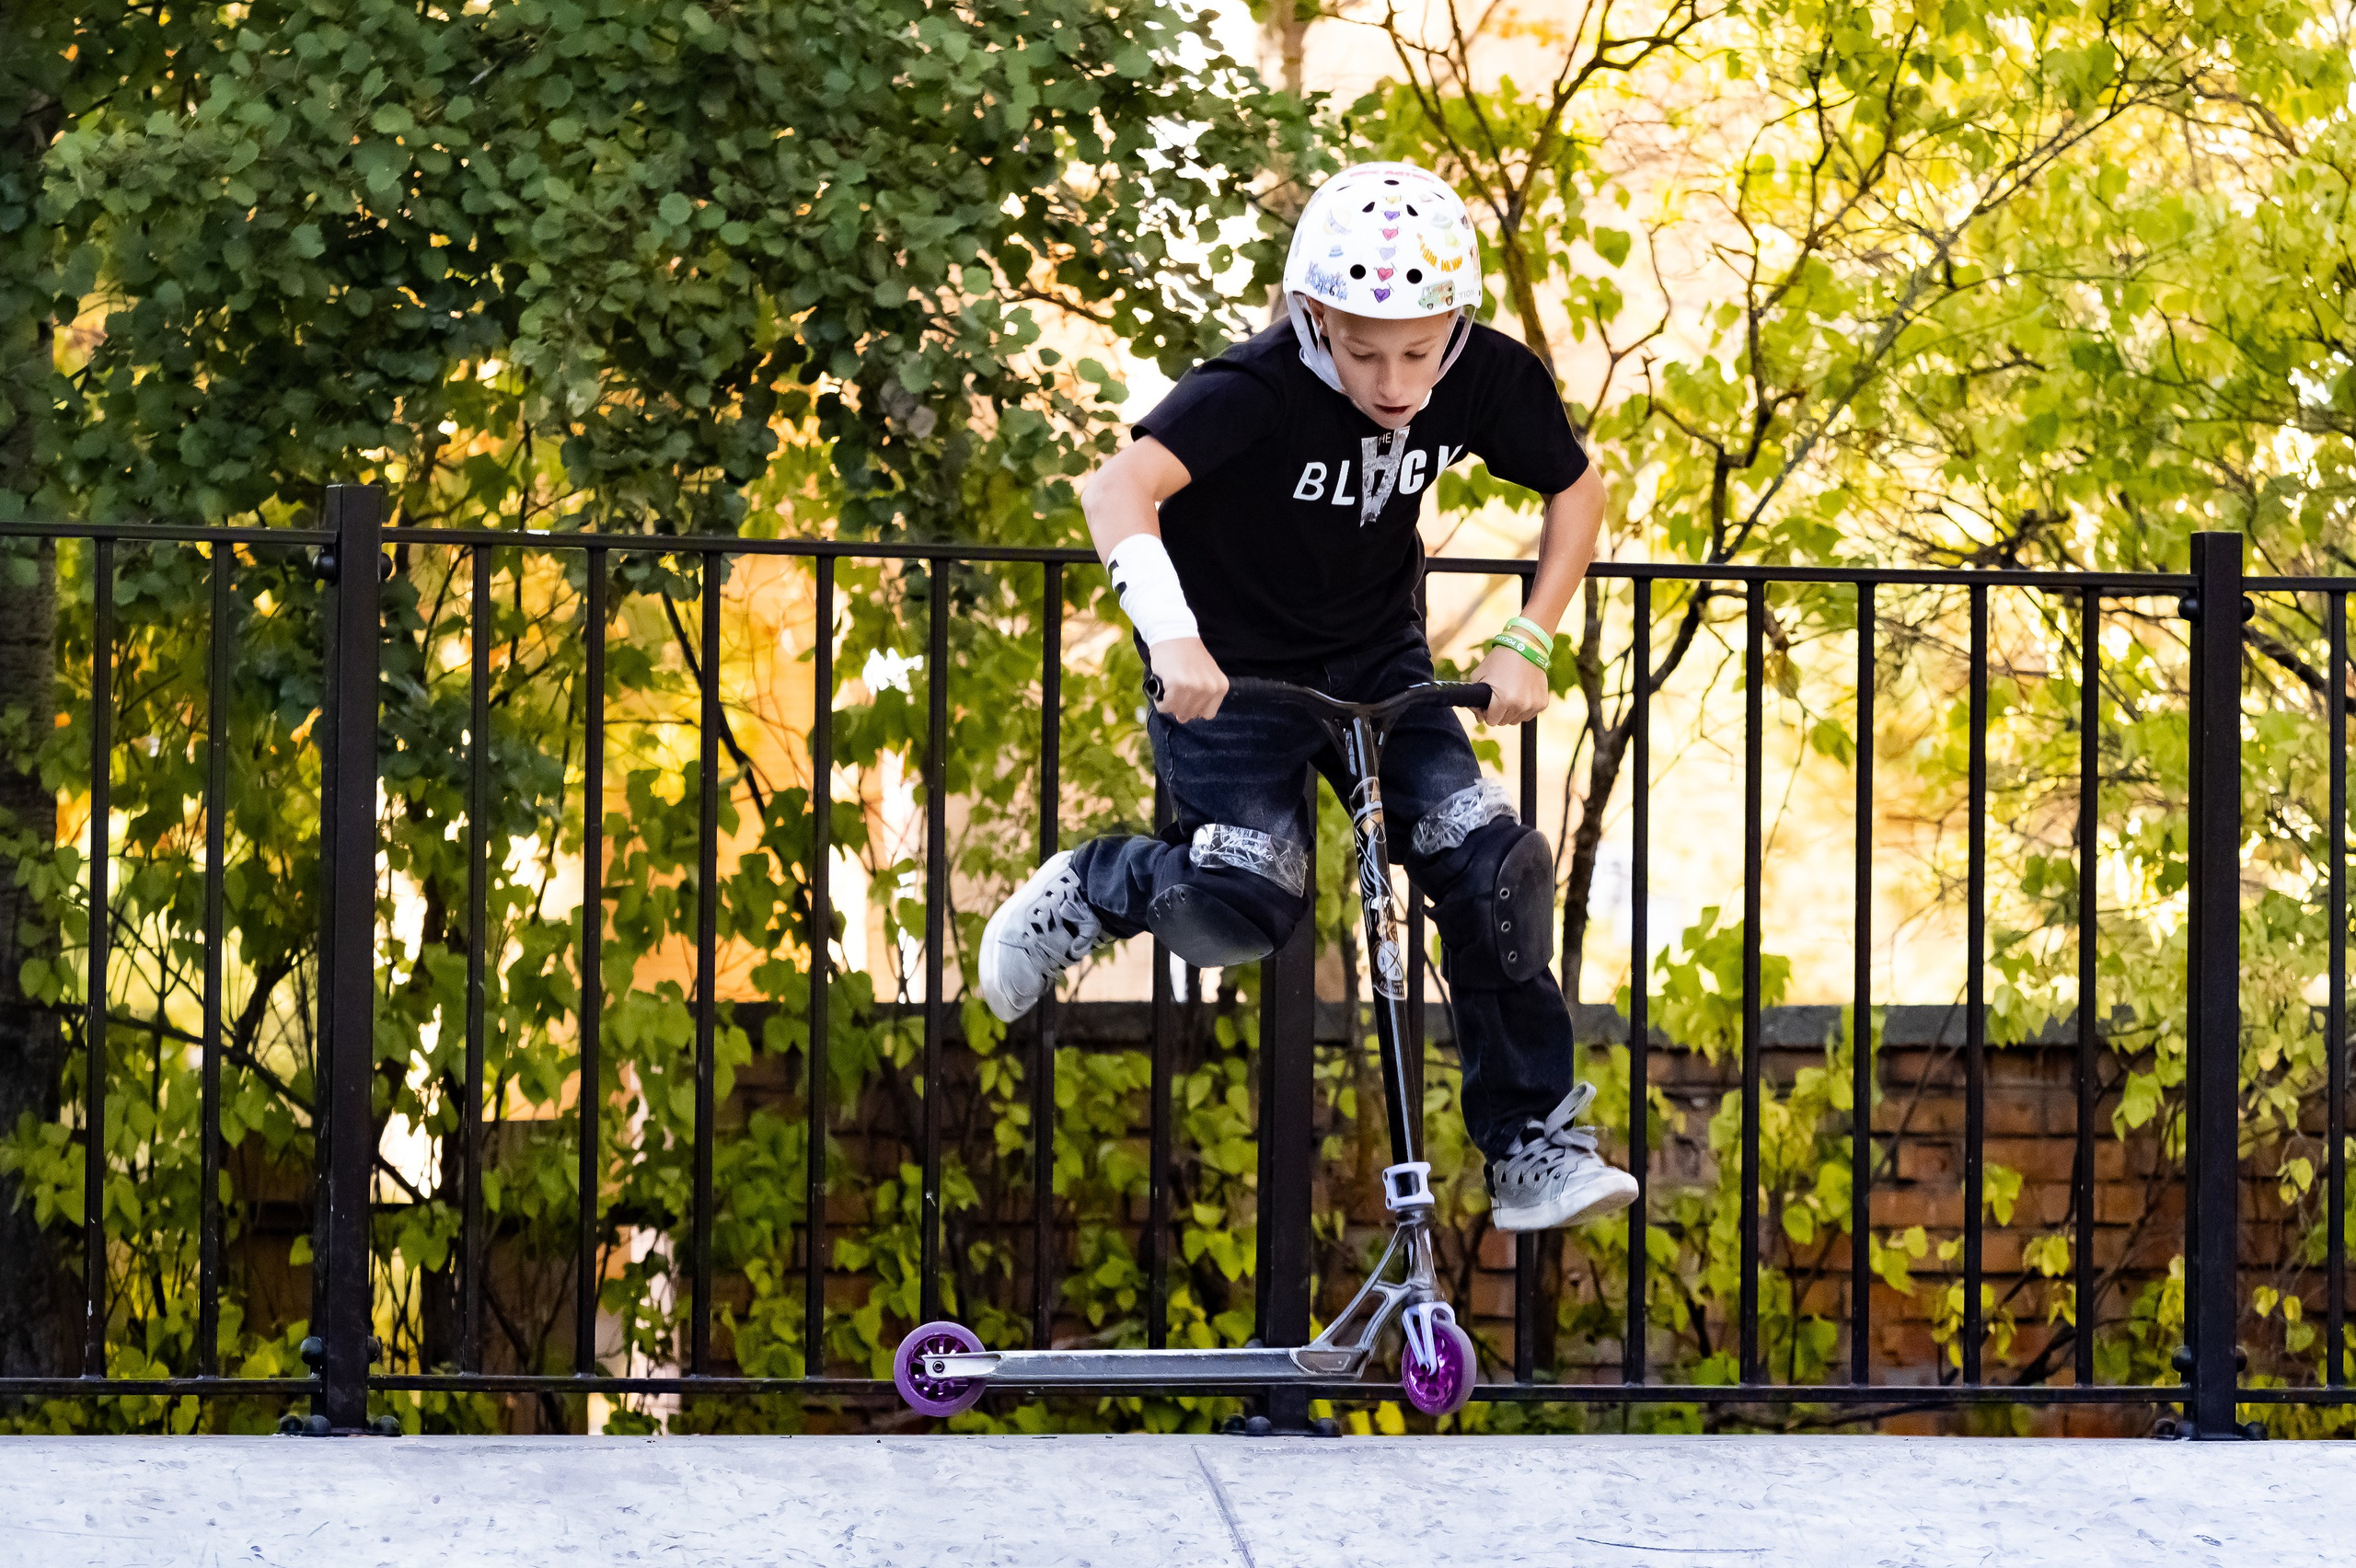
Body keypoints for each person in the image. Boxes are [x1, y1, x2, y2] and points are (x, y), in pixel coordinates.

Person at [977, 161, 1636, 1234]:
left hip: (1377, 658)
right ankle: (1094, 889)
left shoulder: (1481, 375)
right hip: (1235, 676)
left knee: (1490, 870)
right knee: (1241, 906)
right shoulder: (1258, 387)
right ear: (1310, 314)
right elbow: (1116, 488)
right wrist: (1173, 635)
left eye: (1418, 351)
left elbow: (1576, 486)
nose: (1394, 382)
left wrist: (1528, 637)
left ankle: (1528, 1148)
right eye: (1363, 350)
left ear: (1453, 321)